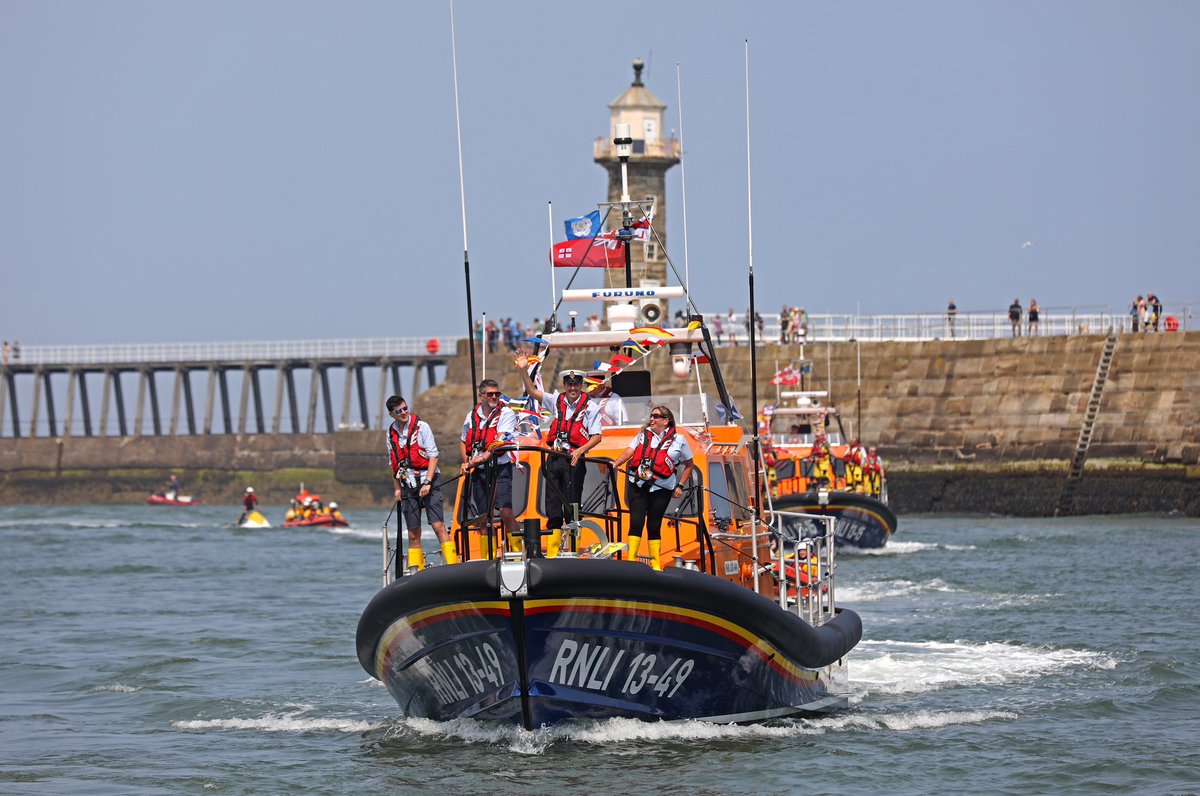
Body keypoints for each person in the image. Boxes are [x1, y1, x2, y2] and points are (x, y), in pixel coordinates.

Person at [516, 359, 602, 557]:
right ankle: (553, 553)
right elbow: (532, 391)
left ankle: (572, 549)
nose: (572, 387)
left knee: (572, 508)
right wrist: (522, 370)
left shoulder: (591, 407)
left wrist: (580, 451)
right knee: (552, 506)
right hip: (554, 459)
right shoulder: (555, 400)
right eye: (569, 384)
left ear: (581, 385)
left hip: (573, 460)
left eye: (576, 383)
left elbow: (597, 436)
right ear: (564, 385)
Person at [609, 405, 695, 570]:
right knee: (636, 521)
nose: (652, 419)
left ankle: (655, 562)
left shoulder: (679, 440)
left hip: (662, 489)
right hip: (638, 485)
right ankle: (631, 561)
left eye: (656, 416)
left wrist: (680, 485)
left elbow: (689, 465)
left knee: (654, 525)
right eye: (651, 416)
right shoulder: (643, 435)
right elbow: (629, 451)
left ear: (666, 420)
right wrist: (616, 462)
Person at [387, 394, 456, 571]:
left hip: (428, 479)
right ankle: (416, 570)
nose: (403, 413)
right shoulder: (391, 432)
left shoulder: (422, 427)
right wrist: (397, 489)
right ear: (392, 414)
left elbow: (433, 455)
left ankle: (452, 566)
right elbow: (393, 462)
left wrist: (427, 482)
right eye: (398, 411)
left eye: (404, 408)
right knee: (412, 531)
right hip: (407, 483)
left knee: (437, 524)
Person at [460, 379, 519, 554]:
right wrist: (467, 461)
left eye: (497, 394)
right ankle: (489, 557)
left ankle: (516, 552)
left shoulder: (506, 413)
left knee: (506, 512)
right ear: (481, 396)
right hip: (479, 472)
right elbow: (463, 441)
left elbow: (499, 440)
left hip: (499, 468)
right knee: (483, 517)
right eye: (490, 394)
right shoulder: (471, 415)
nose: (494, 397)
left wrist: (483, 457)